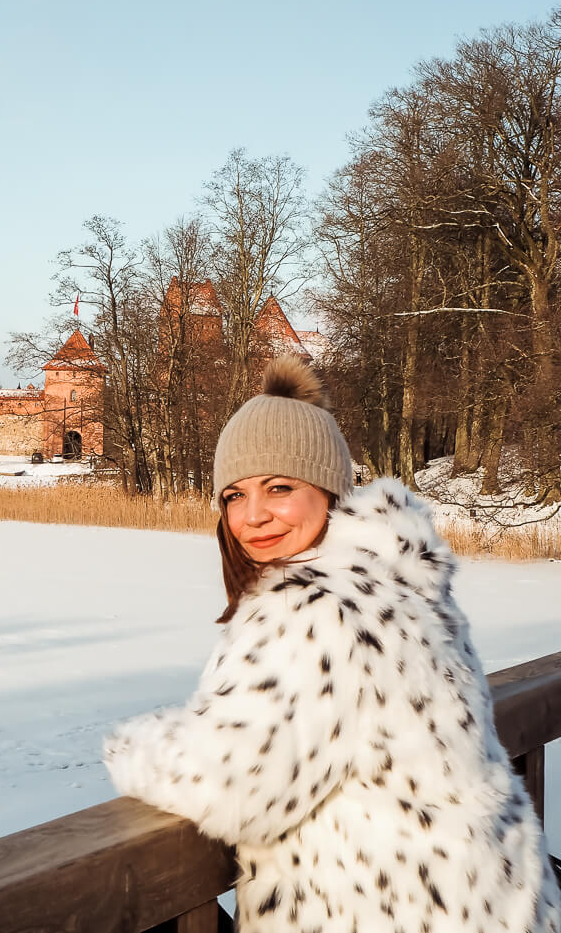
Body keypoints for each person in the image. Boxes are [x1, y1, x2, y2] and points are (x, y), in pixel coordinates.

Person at [104, 355, 561, 933]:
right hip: (480, 900)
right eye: (234, 496)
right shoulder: (398, 582)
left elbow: (234, 786)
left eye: (278, 488)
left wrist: (132, 746)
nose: (254, 516)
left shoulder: (318, 609)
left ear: (327, 487)